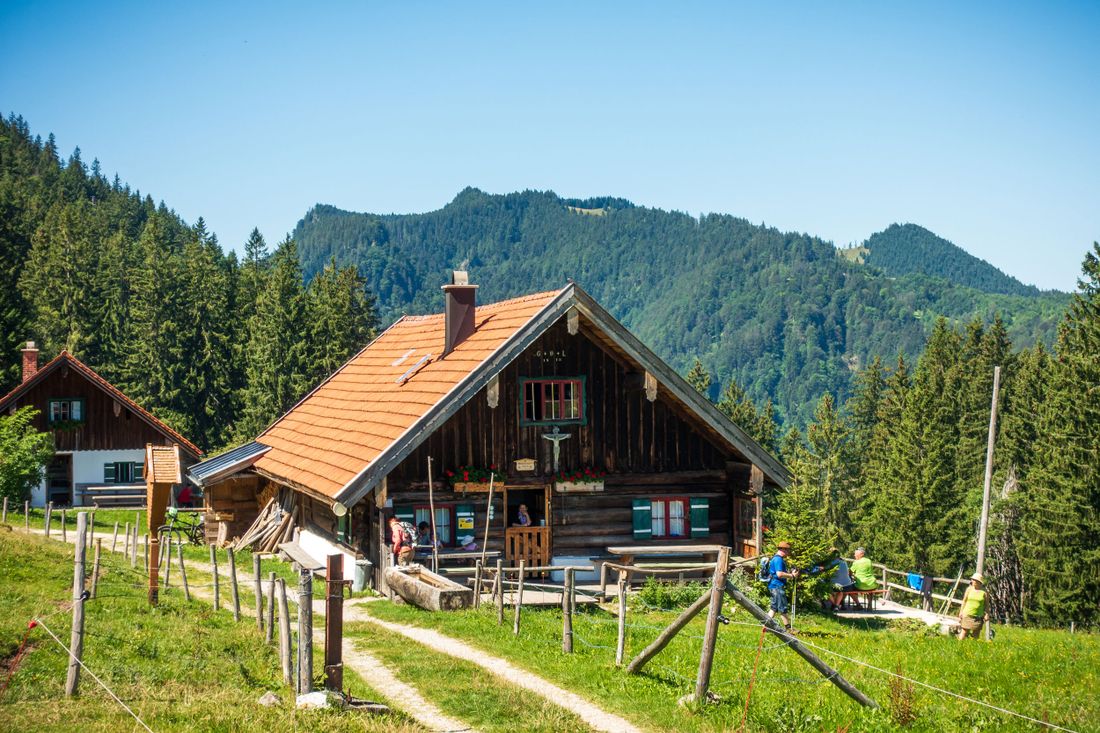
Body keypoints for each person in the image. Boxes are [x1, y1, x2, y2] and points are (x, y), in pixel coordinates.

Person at [766, 541, 800, 632]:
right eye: (788, 551)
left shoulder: (776, 559)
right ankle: (789, 629)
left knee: (774, 607)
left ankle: (766, 626)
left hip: (774, 585)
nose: (788, 553)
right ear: (783, 550)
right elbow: (779, 574)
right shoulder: (778, 559)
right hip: (777, 586)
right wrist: (792, 575)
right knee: (782, 607)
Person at [957, 573, 989, 640]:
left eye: (974, 580)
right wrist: (961, 612)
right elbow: (964, 601)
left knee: (976, 633)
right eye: (972, 580)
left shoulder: (984, 592)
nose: (972, 581)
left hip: (978, 616)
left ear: (979, 582)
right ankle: (958, 646)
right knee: (964, 631)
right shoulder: (969, 589)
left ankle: (974, 647)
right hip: (967, 614)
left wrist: (986, 614)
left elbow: (986, 604)